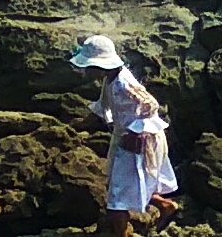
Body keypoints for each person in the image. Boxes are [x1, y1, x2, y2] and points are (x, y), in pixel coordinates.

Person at [73, 35, 180, 237]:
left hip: (138, 139)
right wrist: (77, 126)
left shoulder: (123, 83)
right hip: (125, 137)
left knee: (117, 198)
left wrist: (134, 132)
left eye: (89, 67)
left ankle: (121, 233)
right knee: (130, 184)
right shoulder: (110, 80)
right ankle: (165, 206)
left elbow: (151, 105)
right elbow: (103, 106)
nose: (87, 72)